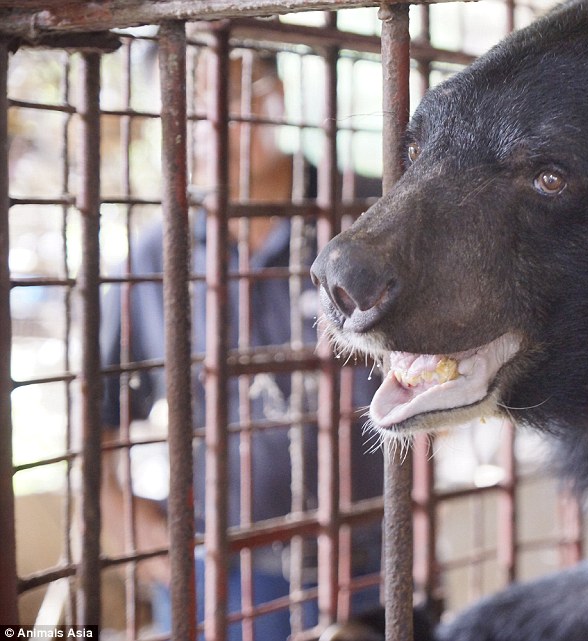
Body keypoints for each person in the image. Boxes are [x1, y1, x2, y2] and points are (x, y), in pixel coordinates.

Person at [99, 46, 382, 639]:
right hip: (216, 566)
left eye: (232, 100)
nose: (211, 128)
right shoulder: (158, 256)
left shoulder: (373, 215)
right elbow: (96, 415)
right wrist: (124, 517)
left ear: (276, 94)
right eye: (187, 110)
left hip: (365, 558)